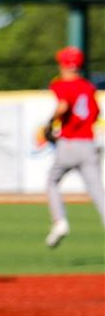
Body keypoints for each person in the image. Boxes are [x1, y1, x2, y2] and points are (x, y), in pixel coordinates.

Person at [40, 45, 104, 248]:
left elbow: (63, 107)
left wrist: (51, 123)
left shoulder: (62, 84)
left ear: (65, 65)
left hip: (69, 144)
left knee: (52, 181)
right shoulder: (88, 86)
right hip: (88, 144)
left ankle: (60, 221)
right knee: (98, 192)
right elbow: (95, 113)